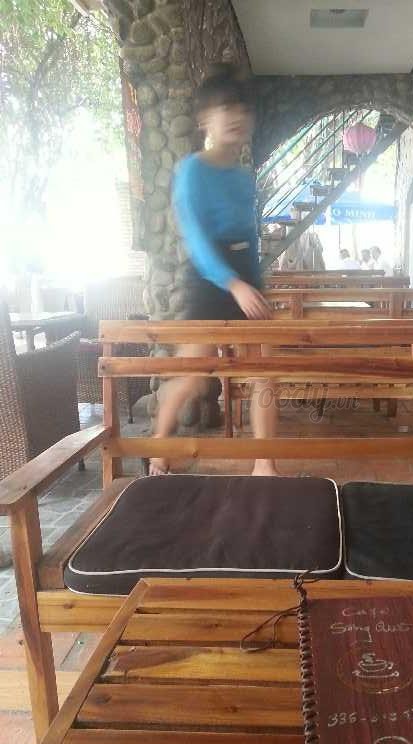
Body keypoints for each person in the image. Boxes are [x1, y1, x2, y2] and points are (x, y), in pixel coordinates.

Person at [150, 63, 277, 477]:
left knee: (265, 373)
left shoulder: (244, 178)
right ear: (206, 118)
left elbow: (251, 237)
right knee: (192, 374)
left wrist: (254, 284)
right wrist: (232, 283)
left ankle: (264, 464)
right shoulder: (192, 171)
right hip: (209, 278)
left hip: (245, 275)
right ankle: (157, 450)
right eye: (226, 108)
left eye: (242, 108)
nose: (236, 116)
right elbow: (197, 239)